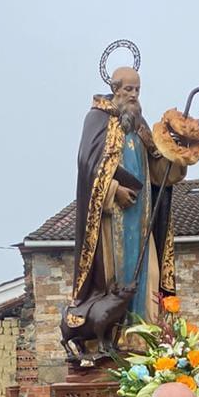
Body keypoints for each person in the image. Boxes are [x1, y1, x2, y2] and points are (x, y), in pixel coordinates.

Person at [68, 63, 188, 359]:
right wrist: (113, 191)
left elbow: (160, 174)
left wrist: (179, 154)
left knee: (146, 277)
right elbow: (88, 167)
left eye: (137, 90)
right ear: (114, 89)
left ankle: (142, 338)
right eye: (128, 89)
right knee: (116, 281)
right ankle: (111, 338)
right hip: (111, 225)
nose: (133, 95)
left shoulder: (141, 125)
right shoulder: (96, 120)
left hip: (142, 218)